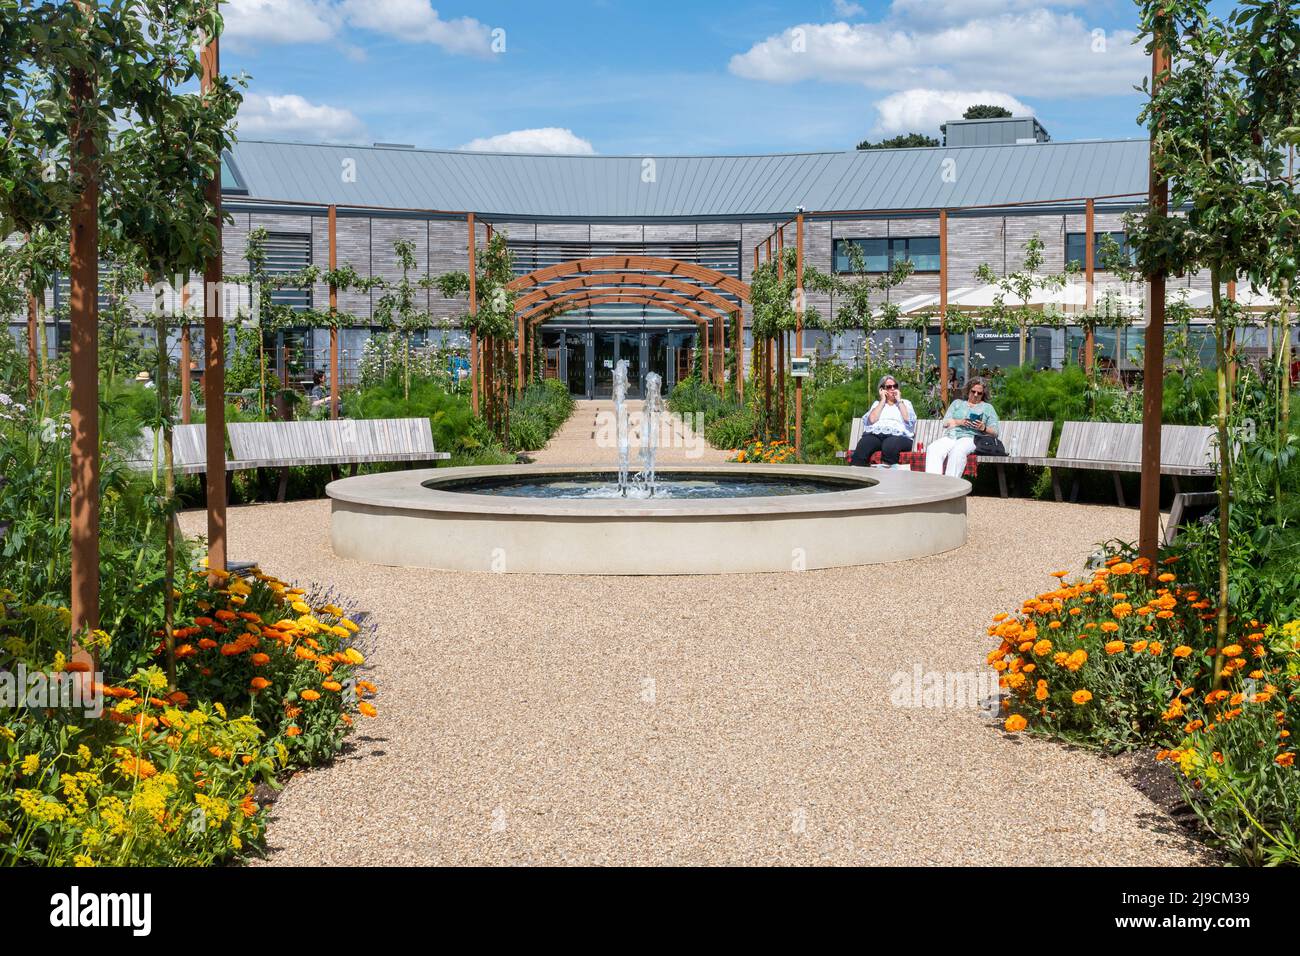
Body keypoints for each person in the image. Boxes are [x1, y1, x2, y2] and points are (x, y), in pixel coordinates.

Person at [926, 377, 999, 478]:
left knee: (957, 451)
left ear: (983, 394)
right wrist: (960, 422)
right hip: (951, 436)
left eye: (979, 393)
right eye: (973, 391)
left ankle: (951, 486)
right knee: (933, 448)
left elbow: (995, 432)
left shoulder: (988, 408)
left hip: (971, 438)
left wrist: (983, 428)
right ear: (968, 390)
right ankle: (934, 484)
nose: (976, 395)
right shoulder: (957, 403)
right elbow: (945, 423)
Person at [850, 374, 916, 467]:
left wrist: (899, 400)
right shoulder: (877, 404)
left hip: (899, 437)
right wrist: (882, 400)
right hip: (877, 435)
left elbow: (908, 420)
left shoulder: (905, 403)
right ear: (882, 390)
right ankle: (858, 476)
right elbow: (872, 419)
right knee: (864, 444)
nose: (893, 389)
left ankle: (887, 476)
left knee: (889, 445)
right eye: (889, 387)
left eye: (895, 386)